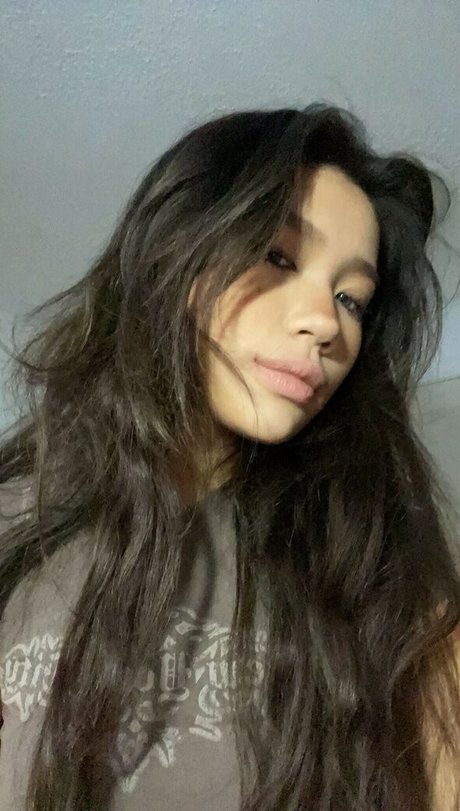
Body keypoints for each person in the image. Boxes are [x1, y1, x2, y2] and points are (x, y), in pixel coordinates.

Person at [0, 103, 459, 810]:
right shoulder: (19, 510)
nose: (326, 323)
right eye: (278, 256)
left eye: (352, 299)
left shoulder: (376, 558)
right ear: (178, 256)